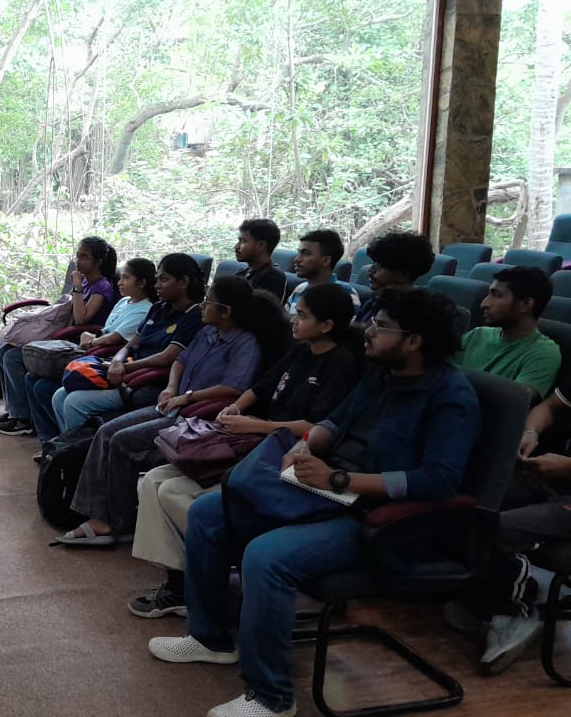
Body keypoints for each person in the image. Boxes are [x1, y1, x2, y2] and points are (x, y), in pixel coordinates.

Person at [150, 287, 478, 717]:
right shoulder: (381, 374)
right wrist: (307, 445)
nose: (369, 334)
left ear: (414, 341)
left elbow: (437, 481)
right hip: (329, 488)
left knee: (267, 557)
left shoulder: (451, 398)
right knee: (209, 513)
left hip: (379, 518)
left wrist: (339, 477)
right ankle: (211, 639)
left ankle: (271, 697)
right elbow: (333, 422)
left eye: (381, 327)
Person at [128, 283, 359, 618]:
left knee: (174, 491)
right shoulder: (299, 351)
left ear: (327, 325)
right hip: (253, 440)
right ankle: (181, 582)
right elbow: (258, 388)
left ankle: (209, 570)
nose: (293, 318)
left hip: (282, 453)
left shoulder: (341, 365)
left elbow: (318, 428)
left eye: (303, 315)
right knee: (153, 480)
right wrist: (235, 408)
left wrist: (256, 426)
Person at [54, 276, 289, 546]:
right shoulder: (208, 332)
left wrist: (188, 397)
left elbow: (234, 388)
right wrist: (171, 387)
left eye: (208, 302)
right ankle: (96, 512)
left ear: (226, 312)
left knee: (122, 441)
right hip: (173, 404)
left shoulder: (245, 343)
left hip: (197, 416)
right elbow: (180, 359)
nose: (202, 306)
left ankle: (113, 523)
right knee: (106, 431)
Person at [444, 381, 571, 674]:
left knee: (500, 528)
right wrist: (530, 432)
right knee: (472, 500)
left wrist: (567, 467)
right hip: (555, 481)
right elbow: (549, 407)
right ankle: (489, 591)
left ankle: (519, 609)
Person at [49, 253, 205, 434]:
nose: (157, 286)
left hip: (150, 382)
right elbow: (130, 344)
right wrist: (117, 361)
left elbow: (166, 358)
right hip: (127, 370)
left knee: (75, 402)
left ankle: (81, 456)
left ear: (183, 282)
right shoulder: (158, 308)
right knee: (59, 396)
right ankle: (66, 449)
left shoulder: (195, 316)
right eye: (157, 280)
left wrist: (125, 367)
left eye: (164, 280)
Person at [17, 257, 158, 444]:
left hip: (103, 358)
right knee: (32, 377)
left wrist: (92, 341)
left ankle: (69, 447)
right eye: (120, 277)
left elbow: (115, 338)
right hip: (94, 354)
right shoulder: (124, 302)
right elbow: (106, 329)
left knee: (45, 387)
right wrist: (91, 335)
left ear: (141, 283)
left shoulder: (145, 309)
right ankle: (54, 443)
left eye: (126, 278)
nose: (120, 282)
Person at [0, 237, 118, 436]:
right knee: (4, 350)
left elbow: (80, 320)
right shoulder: (85, 281)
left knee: (13, 356)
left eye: (85, 257)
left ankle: (23, 420)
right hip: (64, 335)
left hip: (78, 342)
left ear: (98, 262)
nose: (78, 261)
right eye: (78, 255)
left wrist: (77, 287)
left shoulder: (102, 288)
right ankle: (14, 411)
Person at [454, 266, 560, 399]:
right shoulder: (477, 334)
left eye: (496, 295)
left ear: (525, 304)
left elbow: (513, 403)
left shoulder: (544, 353)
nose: (484, 303)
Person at [353, 231, 435, 324]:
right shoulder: (375, 301)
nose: (370, 271)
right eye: (374, 264)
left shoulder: (410, 315)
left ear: (403, 275)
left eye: (380, 266)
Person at [284, 229, 360, 315]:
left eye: (306, 253)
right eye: (299, 253)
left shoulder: (346, 294)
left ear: (326, 260)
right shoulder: (300, 289)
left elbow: (344, 328)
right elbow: (284, 323)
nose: (296, 259)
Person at [234, 219, 288, 303]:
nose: (236, 247)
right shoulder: (242, 273)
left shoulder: (273, 278)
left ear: (261, 245)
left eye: (243, 241)